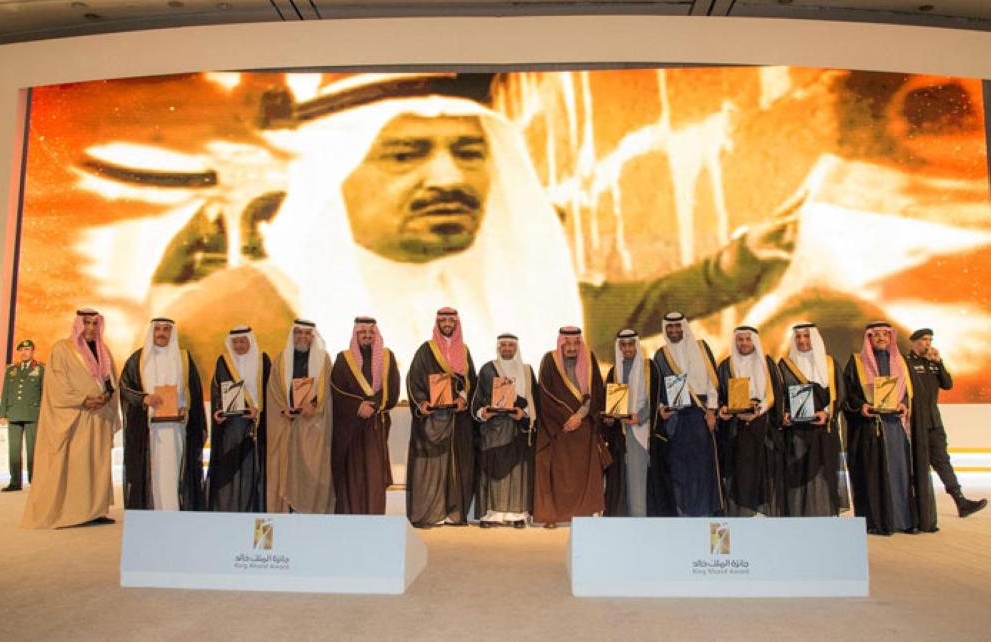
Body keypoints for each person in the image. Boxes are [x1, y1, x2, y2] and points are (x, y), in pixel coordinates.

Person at [148, 73, 800, 371]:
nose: (449, 178)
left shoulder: (520, 286)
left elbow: (644, 306)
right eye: (404, 154)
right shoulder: (235, 312)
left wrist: (742, 260)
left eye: (469, 153)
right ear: (334, 175)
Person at [21, 309, 120, 528]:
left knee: (97, 464)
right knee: (77, 465)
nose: (91, 328)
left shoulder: (104, 351)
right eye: (86, 323)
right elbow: (57, 385)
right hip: (76, 417)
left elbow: (111, 381)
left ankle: (95, 510)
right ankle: (72, 512)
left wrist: (107, 395)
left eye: (95, 324)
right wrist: (82, 400)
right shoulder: (63, 349)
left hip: (99, 417)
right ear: (78, 325)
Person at [843, 322, 923, 535]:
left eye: (884, 335)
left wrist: (903, 403)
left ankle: (903, 520)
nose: (880, 338)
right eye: (876, 335)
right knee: (874, 475)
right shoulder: (857, 363)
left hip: (896, 427)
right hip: (871, 429)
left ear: (890, 338)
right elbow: (848, 393)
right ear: (869, 338)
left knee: (900, 473)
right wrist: (862, 406)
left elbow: (910, 392)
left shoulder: (901, 362)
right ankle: (879, 522)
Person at [119, 318, 206, 511]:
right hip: (148, 431)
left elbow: (194, 392)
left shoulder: (183, 359)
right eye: (157, 329)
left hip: (176, 429)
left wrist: (185, 408)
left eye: (166, 329)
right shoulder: (138, 359)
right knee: (152, 473)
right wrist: (144, 398)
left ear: (172, 333)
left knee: (174, 472)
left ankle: (174, 511)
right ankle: (154, 514)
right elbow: (124, 387)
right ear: (151, 332)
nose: (161, 333)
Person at [405, 307, 478, 528]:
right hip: (432, 421)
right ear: (437, 323)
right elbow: (413, 380)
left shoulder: (464, 351)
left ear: (456, 323)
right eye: (443, 320)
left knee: (456, 467)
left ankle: (453, 513)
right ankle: (431, 513)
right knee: (432, 467)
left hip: (457, 421)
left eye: (451, 320)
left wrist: (463, 399)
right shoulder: (425, 351)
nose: (447, 323)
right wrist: (422, 403)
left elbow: (471, 383)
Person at [906, 328, 986, 520]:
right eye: (924, 339)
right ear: (914, 342)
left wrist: (939, 363)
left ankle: (961, 501)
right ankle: (917, 508)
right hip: (914, 423)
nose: (928, 343)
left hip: (934, 422)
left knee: (943, 461)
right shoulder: (905, 362)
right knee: (916, 465)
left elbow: (947, 384)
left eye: (930, 339)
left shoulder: (933, 363)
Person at [534, 326, 606, 527]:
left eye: (576, 343)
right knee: (559, 474)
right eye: (568, 344)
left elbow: (597, 392)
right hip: (559, 428)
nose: (572, 348)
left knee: (582, 473)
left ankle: (583, 512)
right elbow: (545, 393)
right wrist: (567, 418)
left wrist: (579, 416)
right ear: (561, 343)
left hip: (582, 426)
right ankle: (555, 516)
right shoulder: (549, 360)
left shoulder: (590, 359)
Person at [653, 313, 722, 517]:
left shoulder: (701, 348)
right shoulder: (661, 355)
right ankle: (683, 516)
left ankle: (703, 515)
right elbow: (656, 389)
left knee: (702, 468)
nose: (674, 331)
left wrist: (711, 410)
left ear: (684, 327)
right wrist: (661, 409)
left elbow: (713, 382)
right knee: (679, 469)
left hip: (700, 417)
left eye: (677, 326)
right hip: (676, 420)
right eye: (670, 327)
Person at [330, 317, 400, 515]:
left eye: (371, 332)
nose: (367, 336)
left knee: (374, 475)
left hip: (376, 425)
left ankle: (373, 516)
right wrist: (357, 406)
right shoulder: (343, 359)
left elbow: (393, 388)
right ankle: (352, 516)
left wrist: (375, 406)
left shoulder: (387, 357)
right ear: (356, 334)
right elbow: (336, 390)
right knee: (353, 475)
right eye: (363, 332)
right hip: (351, 428)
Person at [777, 322, 847, 517]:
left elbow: (840, 394)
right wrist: (784, 413)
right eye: (798, 337)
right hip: (795, 433)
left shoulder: (830, 364)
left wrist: (826, 413)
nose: (802, 340)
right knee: (797, 476)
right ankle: (797, 517)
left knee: (821, 476)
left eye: (806, 336)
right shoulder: (784, 365)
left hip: (822, 430)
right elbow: (779, 394)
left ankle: (822, 515)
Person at [266, 319, 335, 514]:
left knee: (311, 475)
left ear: (313, 336)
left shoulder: (324, 360)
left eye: (307, 334)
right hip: (287, 426)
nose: (303, 337)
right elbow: (273, 392)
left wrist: (315, 407)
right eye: (299, 333)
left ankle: (311, 516)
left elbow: (329, 393)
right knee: (286, 474)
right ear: (293, 335)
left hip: (313, 427)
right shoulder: (281, 361)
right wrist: (283, 409)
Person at [716, 326, 786, 517]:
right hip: (736, 428)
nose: (744, 343)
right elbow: (720, 395)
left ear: (754, 341)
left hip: (762, 425)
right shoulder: (726, 366)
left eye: (748, 339)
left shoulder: (767, 363)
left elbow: (776, 393)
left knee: (763, 472)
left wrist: (758, 411)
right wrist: (724, 409)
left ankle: (762, 517)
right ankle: (740, 515)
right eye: (740, 340)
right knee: (739, 474)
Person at [471, 333, 537, 528]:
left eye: (510, 345)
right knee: (492, 472)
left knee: (517, 473)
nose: (507, 348)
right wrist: (485, 412)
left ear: (516, 348)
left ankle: (516, 515)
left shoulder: (526, 371)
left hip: (517, 431)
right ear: (498, 347)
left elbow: (535, 400)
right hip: (493, 432)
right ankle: (491, 515)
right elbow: (476, 400)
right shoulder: (487, 369)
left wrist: (523, 412)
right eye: (503, 345)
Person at [208, 326, 271, 512]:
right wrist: (218, 411)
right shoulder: (223, 361)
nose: (239, 345)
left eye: (242, 341)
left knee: (252, 470)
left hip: (255, 425)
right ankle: (230, 510)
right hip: (231, 427)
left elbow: (271, 393)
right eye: (235, 342)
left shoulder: (262, 361)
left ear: (250, 341)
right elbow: (217, 389)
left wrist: (259, 411)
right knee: (230, 469)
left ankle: (252, 510)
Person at [602, 329, 662, 517]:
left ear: (636, 344)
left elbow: (655, 400)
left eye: (630, 344)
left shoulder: (649, 368)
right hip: (619, 435)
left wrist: (640, 417)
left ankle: (639, 526)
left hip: (640, 432)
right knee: (619, 483)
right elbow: (610, 403)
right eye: (623, 345)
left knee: (637, 483)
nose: (627, 349)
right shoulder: (614, 371)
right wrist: (610, 419)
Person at [0, 339, 43, 492]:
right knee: (14, 449)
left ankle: (34, 480)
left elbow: (44, 393)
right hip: (14, 413)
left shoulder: (41, 369)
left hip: (33, 414)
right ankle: (15, 482)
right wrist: (2, 413)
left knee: (33, 450)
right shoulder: (11, 370)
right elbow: (5, 393)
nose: (24, 353)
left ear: (32, 351)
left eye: (28, 350)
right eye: (22, 350)